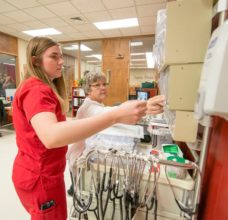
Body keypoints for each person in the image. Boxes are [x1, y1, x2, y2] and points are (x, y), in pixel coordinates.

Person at [12, 37, 147, 220]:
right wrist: (115, 116)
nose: (61, 62)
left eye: (61, 56)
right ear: (35, 61)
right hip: (40, 176)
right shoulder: (36, 89)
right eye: (54, 57)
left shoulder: (44, 88)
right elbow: (51, 136)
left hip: (43, 171)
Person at [66, 71, 165, 196]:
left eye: (104, 84)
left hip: (83, 153)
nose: (102, 88)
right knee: (80, 192)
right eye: (97, 85)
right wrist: (144, 106)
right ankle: (73, 190)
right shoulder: (88, 108)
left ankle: (73, 188)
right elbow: (109, 112)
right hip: (80, 156)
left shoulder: (95, 104)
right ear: (88, 90)